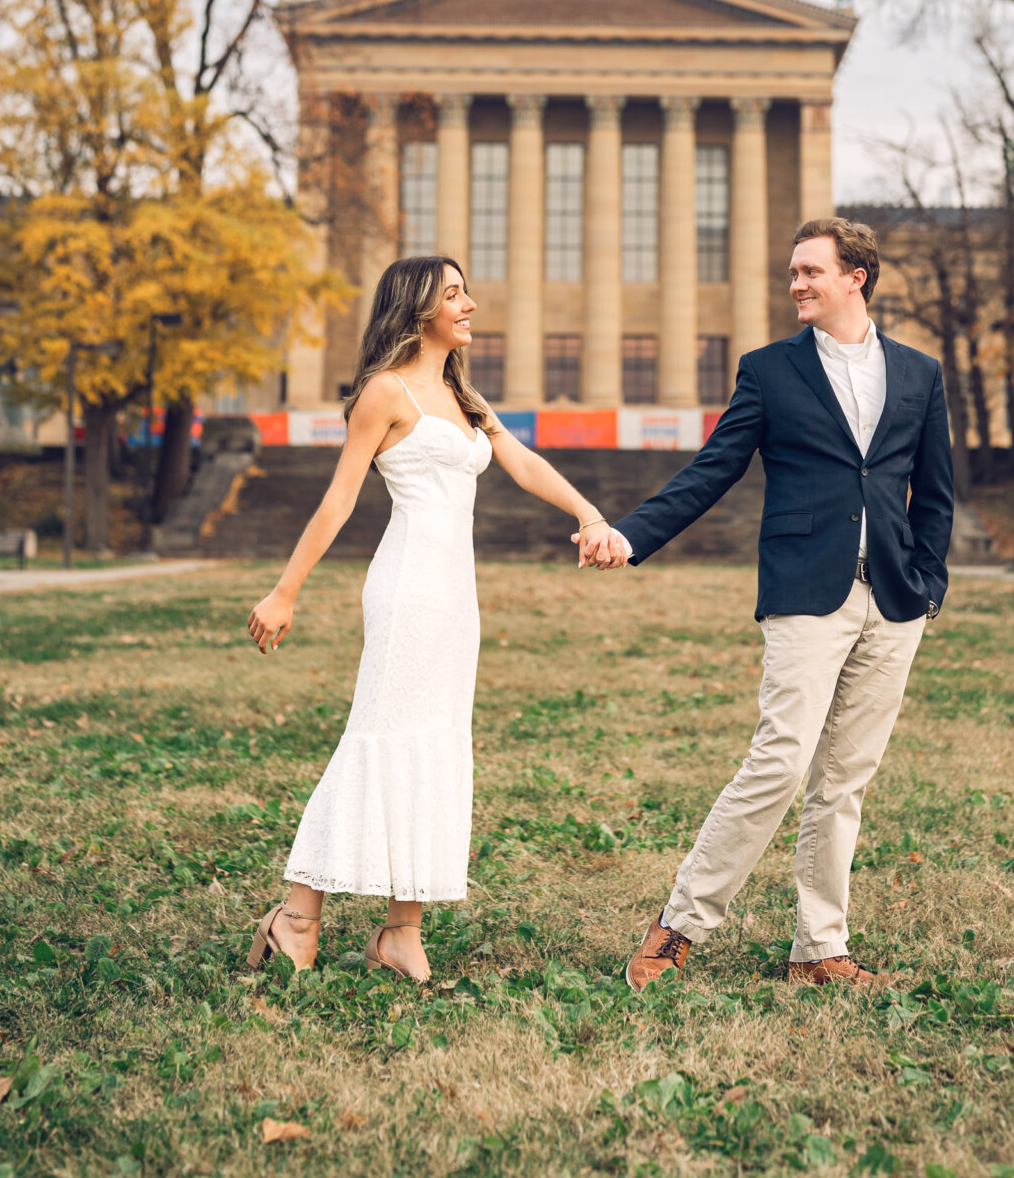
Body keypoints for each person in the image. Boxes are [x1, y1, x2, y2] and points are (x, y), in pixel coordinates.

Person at [581, 217, 953, 991]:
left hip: (892, 599)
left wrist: (926, 586)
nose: (796, 284)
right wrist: (630, 534)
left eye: (811, 271)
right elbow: (711, 470)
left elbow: (936, 494)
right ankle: (678, 923)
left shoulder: (919, 375)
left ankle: (820, 948)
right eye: (792, 272)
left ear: (856, 277)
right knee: (778, 763)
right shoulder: (769, 371)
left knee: (845, 779)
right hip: (805, 595)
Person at [245, 254, 611, 984]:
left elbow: (521, 461)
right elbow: (339, 499)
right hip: (407, 586)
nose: (469, 303)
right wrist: (285, 592)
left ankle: (401, 932)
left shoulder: (461, 394)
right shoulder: (384, 393)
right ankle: (295, 915)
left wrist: (589, 511)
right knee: (377, 739)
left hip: (455, 600)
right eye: (454, 294)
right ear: (418, 311)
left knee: (436, 748)